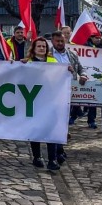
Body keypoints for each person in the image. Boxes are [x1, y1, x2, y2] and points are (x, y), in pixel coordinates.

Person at [25, 37, 62, 170]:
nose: (42, 48)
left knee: (51, 130)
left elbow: (60, 76)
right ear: (34, 49)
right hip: (34, 101)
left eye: (44, 46)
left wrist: (67, 70)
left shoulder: (53, 61)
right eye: (39, 46)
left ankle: (52, 159)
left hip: (50, 101)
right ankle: (37, 156)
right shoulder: (28, 62)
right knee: (36, 130)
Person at [51, 31, 89, 133]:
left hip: (69, 89)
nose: (59, 43)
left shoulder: (72, 55)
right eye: (57, 41)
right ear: (52, 41)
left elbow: (81, 68)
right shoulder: (47, 54)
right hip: (53, 90)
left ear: (66, 41)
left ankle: (62, 134)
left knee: (65, 114)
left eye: (62, 41)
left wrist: (83, 75)